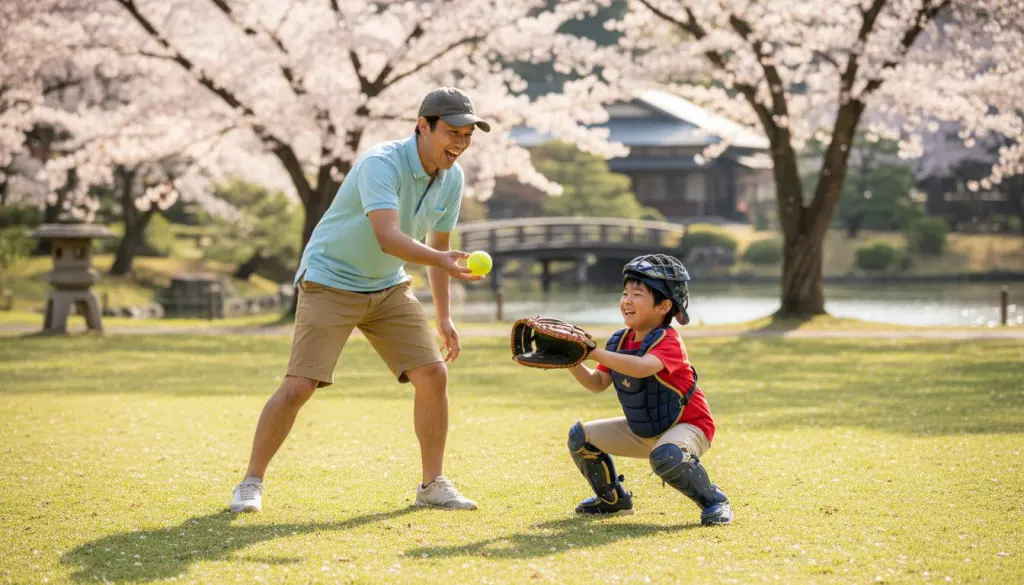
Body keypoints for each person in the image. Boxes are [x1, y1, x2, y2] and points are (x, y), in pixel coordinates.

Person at [230, 87, 491, 513]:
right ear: (422, 126)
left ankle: (432, 484)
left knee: (433, 375)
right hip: (330, 280)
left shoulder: (453, 178)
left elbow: (439, 247)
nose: (460, 144)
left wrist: (444, 317)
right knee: (299, 385)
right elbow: (388, 237)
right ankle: (250, 482)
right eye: (452, 132)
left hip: (387, 287)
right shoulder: (380, 163)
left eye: (467, 135)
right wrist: (441, 259)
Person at [564, 254, 733, 525]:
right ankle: (612, 501)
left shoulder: (669, 341)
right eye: (624, 293)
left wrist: (593, 353)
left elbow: (642, 367)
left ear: (664, 305)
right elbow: (597, 384)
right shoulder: (619, 341)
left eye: (637, 294)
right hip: (645, 428)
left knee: (666, 456)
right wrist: (571, 361)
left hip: (689, 426)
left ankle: (714, 501)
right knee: (580, 437)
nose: (627, 300)